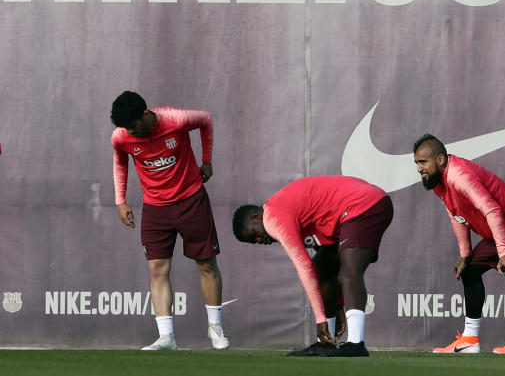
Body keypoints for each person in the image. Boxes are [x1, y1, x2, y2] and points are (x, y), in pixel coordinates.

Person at [110, 91, 229, 351]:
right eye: (125, 128)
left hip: (191, 200)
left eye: (132, 126)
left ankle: (215, 329)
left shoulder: (175, 119)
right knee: (157, 271)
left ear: (145, 115)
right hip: (155, 209)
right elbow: (120, 161)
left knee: (207, 264)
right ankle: (167, 338)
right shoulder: (121, 137)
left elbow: (206, 120)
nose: (129, 132)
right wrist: (120, 199)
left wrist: (206, 161)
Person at [414, 134, 505, 355]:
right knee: (469, 271)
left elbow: (492, 210)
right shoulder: (440, 183)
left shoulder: (459, 176)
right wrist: (465, 255)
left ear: (440, 160)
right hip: (504, 230)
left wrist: (504, 252)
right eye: (417, 163)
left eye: (423, 162)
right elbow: (456, 216)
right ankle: (470, 339)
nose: (419, 168)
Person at [233, 176, 393, 358]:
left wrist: (320, 320)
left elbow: (304, 268)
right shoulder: (288, 215)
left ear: (257, 216)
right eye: (254, 242)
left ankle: (356, 344)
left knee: (349, 273)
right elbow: (328, 265)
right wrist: (338, 305)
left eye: (255, 234)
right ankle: (327, 342)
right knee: (322, 268)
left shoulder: (272, 217)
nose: (260, 241)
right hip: (363, 205)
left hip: (364, 205)